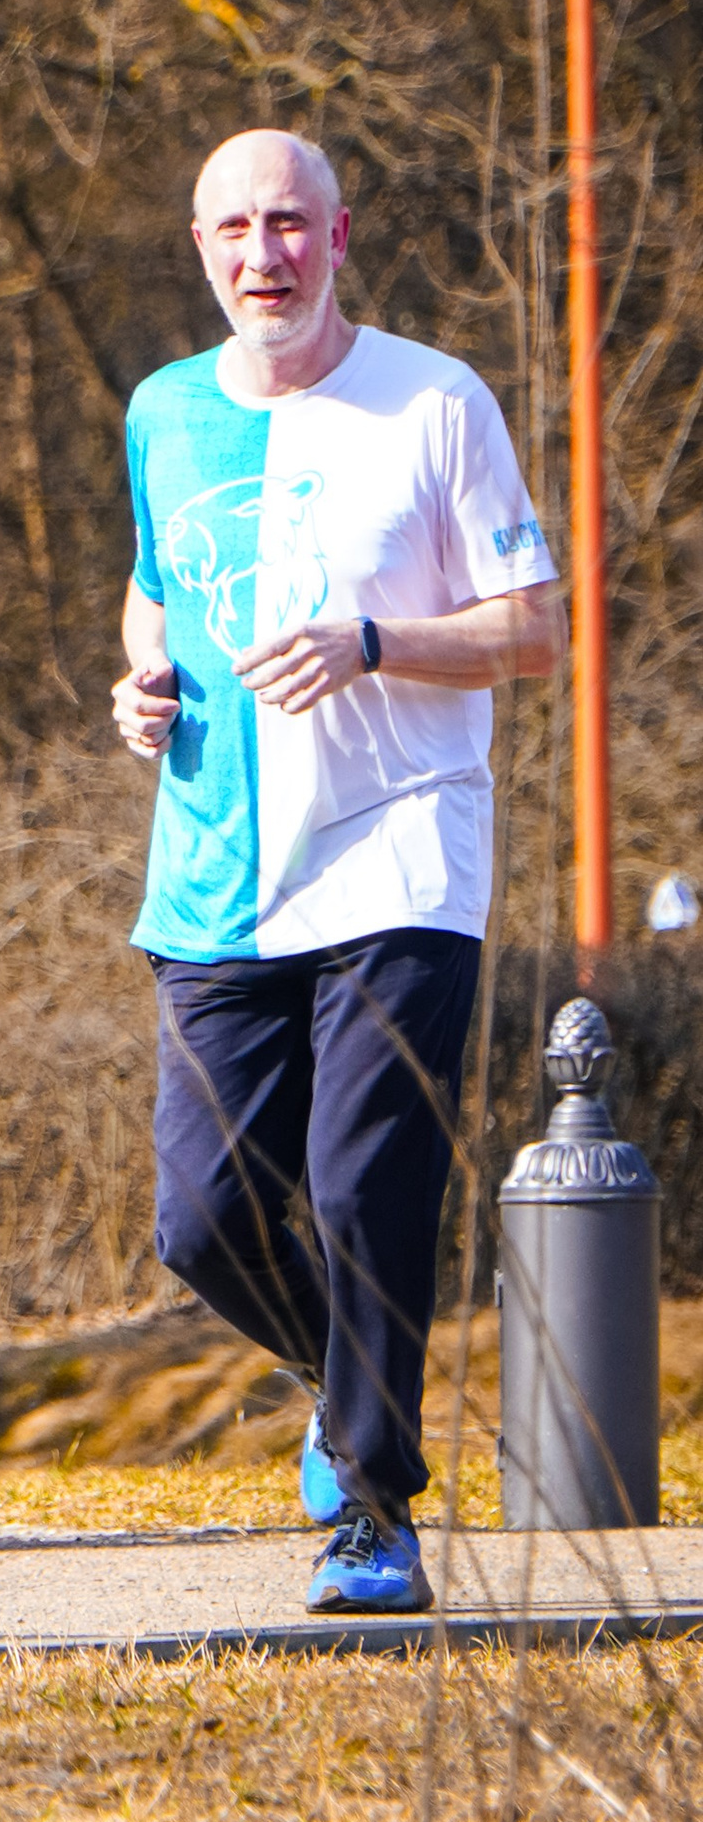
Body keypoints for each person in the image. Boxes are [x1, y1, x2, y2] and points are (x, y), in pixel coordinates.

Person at [113, 130, 562, 1615]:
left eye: (291, 224)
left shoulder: (435, 401)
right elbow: (155, 590)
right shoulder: (163, 411)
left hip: (396, 858)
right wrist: (140, 682)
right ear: (200, 245)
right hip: (213, 871)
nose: (266, 255)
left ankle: (375, 1512)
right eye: (236, 228)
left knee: (365, 1185)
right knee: (200, 1218)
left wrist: (375, 644)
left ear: (339, 234)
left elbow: (533, 628)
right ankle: (334, 1376)